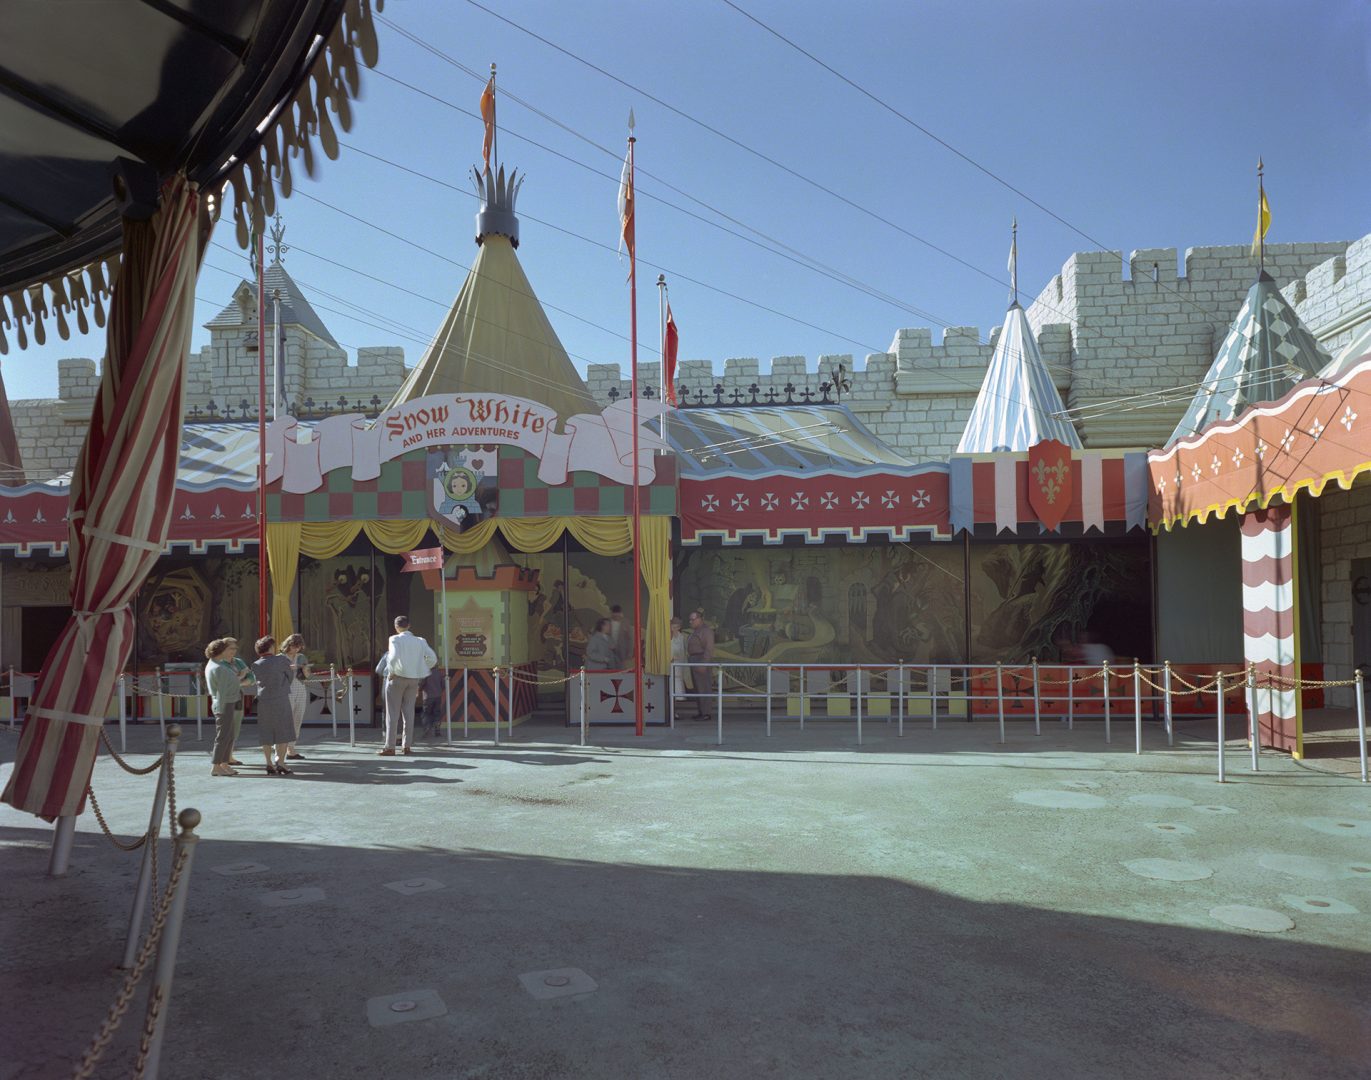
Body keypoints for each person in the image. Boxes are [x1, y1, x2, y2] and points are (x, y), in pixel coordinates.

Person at [379, 615, 437, 756]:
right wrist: (420, 668)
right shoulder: (420, 641)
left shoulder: (394, 639)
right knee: (409, 712)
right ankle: (407, 746)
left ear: (396, 626)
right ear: (409, 626)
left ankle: (390, 747)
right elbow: (433, 659)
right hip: (413, 679)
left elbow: (392, 657)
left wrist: (392, 671)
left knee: (392, 713)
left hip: (397, 678)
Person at [251, 636, 297, 775]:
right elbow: (290, 676)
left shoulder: (255, 664)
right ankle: (281, 763)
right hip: (280, 698)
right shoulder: (281, 660)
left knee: (266, 731)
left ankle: (268, 762)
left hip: (264, 700)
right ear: (270, 647)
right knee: (282, 731)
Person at [204, 639, 244, 777]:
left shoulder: (216, 664)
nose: (231, 651)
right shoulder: (219, 668)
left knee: (228, 735)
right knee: (223, 736)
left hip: (227, 703)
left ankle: (223, 764)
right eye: (227, 649)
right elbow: (222, 690)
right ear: (221, 651)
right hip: (224, 704)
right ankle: (216, 766)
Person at [222, 636, 254, 766]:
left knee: (235, 729)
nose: (233, 651)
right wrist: (241, 676)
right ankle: (223, 758)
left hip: (238, 698)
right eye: (231, 648)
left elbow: (251, 679)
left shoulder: (238, 662)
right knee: (225, 730)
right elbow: (226, 682)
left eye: (235, 648)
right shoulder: (219, 663)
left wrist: (239, 682)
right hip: (224, 700)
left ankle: (229, 756)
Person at [281, 633, 311, 760]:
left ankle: (291, 749)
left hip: (300, 687)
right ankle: (283, 748)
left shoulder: (301, 657)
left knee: (297, 718)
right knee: (286, 719)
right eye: (294, 646)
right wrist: (289, 668)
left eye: (298, 647)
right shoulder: (280, 657)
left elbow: (308, 676)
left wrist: (304, 669)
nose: (296, 649)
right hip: (286, 689)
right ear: (288, 645)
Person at [686, 609, 715, 719]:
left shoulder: (706, 631)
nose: (690, 622)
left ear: (699, 619)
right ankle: (701, 711)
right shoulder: (696, 631)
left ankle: (706, 713)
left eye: (693, 619)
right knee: (698, 687)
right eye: (690, 620)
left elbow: (709, 648)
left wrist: (704, 663)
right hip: (694, 659)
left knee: (704, 687)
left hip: (700, 659)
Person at [669, 616, 689, 702]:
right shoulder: (668, 637)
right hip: (671, 661)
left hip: (680, 661)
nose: (674, 629)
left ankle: (680, 697)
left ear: (679, 627)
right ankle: (672, 697)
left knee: (679, 679)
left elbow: (685, 650)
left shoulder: (683, 637)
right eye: (673, 627)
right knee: (672, 679)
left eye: (676, 627)